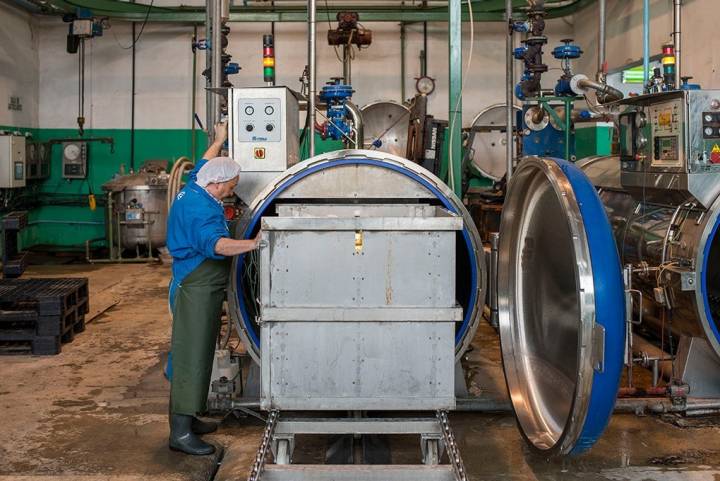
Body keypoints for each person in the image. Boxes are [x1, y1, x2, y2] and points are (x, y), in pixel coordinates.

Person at [166, 122, 261, 455]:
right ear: (217, 185)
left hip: (196, 283)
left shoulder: (197, 183)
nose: (232, 191)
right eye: (231, 187)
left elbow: (205, 162)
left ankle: (190, 419)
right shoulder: (199, 209)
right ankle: (179, 433)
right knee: (190, 354)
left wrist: (219, 139)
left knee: (202, 349)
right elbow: (218, 246)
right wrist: (252, 244)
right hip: (195, 285)